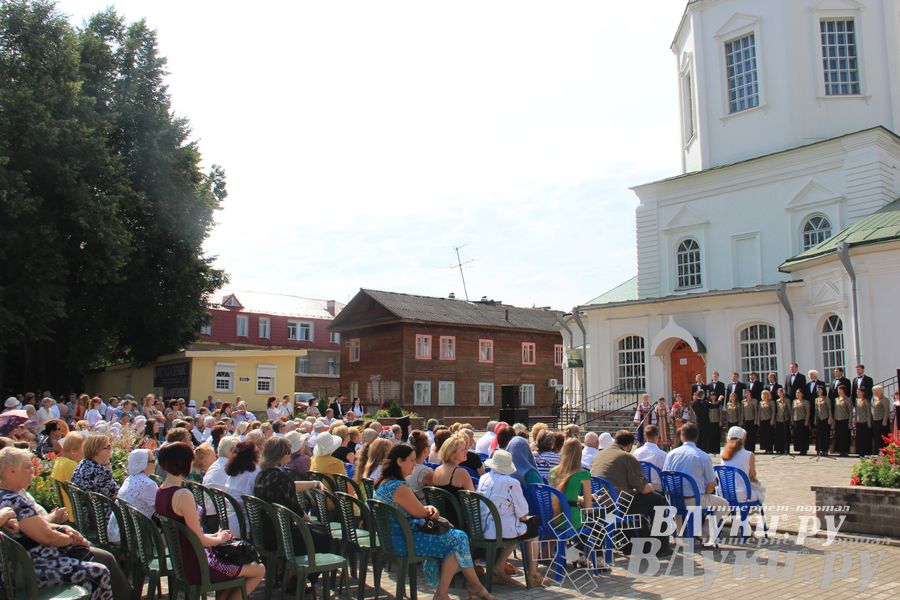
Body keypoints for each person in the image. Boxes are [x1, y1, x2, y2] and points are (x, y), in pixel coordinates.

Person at [373, 444, 497, 600]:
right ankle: (460, 590)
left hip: (392, 540)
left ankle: (457, 590)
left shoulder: (382, 483)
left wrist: (427, 508)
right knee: (459, 539)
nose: (414, 464)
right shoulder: (398, 487)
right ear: (399, 461)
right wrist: (430, 509)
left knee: (457, 539)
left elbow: (416, 509)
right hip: (405, 542)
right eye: (411, 460)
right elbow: (420, 512)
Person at [0, 446, 116, 599]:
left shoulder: (7, 496)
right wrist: (72, 540)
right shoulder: (13, 500)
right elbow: (48, 537)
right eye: (27, 467)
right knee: (98, 571)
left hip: (24, 567)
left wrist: (63, 528)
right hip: (31, 570)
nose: (32, 471)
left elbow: (37, 526)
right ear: (11, 471)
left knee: (97, 559)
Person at [156, 442, 264, 599]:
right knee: (259, 570)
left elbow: (190, 533)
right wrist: (220, 538)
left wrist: (217, 536)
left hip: (183, 561)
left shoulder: (161, 491)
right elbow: (200, 539)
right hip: (199, 564)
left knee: (234, 563)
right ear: (184, 462)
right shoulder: (183, 495)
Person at [591, 430, 669, 553]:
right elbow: (643, 489)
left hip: (601, 503)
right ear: (628, 446)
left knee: (635, 501)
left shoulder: (600, 454)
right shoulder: (626, 456)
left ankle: (630, 544)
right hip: (618, 505)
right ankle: (661, 547)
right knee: (658, 500)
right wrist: (652, 486)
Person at [477, 449, 545, 588]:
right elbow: (523, 514)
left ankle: (499, 566)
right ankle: (533, 574)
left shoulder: (484, 478)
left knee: (518, 528)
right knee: (532, 531)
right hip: (501, 530)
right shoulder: (511, 482)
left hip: (482, 528)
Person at [253, 437, 331, 554]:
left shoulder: (262, 475)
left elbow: (289, 486)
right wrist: (309, 521)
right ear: (282, 454)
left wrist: (314, 483)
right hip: (284, 536)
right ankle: (305, 571)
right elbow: (296, 509)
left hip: (266, 531)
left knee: (318, 529)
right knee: (324, 535)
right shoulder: (280, 477)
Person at [662, 423, 728, 540]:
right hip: (693, 499)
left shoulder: (670, 454)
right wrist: (705, 493)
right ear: (696, 437)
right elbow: (712, 483)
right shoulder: (702, 456)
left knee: (681, 494)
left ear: (682, 436)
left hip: (673, 499)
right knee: (724, 505)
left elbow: (666, 476)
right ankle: (704, 533)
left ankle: (681, 530)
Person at [109, 449, 158, 544]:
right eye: (152, 461)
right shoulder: (148, 484)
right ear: (143, 464)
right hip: (133, 534)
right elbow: (161, 509)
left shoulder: (129, 479)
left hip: (116, 530)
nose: (155, 463)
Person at [432, 433, 475, 527]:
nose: (466, 451)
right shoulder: (461, 473)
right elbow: (473, 501)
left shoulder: (437, 470)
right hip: (460, 522)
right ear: (451, 453)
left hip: (442, 520)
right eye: (462, 450)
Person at [549, 438, 592, 529]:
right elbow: (588, 508)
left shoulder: (553, 471)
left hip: (554, 520)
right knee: (605, 518)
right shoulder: (583, 474)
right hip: (572, 520)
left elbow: (561, 494)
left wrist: (578, 499)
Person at [720, 426, 766, 505]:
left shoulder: (723, 453)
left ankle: (736, 513)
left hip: (724, 493)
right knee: (760, 491)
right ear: (743, 439)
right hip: (742, 494)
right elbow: (752, 476)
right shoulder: (749, 454)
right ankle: (745, 514)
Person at [223, 441, 260, 532]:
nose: (260, 454)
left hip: (231, 522)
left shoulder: (234, 474)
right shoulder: (253, 474)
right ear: (250, 456)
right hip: (248, 526)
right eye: (257, 452)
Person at [71, 434, 118, 498]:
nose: (111, 449)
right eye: (108, 447)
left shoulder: (84, 463)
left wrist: (106, 463)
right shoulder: (98, 470)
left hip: (83, 505)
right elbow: (115, 494)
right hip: (98, 507)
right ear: (97, 451)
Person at [633, 425, 667, 491]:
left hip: (640, 488)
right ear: (658, 436)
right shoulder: (663, 455)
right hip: (657, 489)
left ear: (644, 436)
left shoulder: (636, 452)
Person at [406, 430, 434, 502]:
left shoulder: (403, 467)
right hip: (422, 509)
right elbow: (436, 496)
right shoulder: (425, 471)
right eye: (429, 446)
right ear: (425, 450)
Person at [833, 385, 853, 456]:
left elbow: (850, 411)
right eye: (838, 390)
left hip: (845, 420)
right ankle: (840, 450)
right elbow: (835, 410)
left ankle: (845, 451)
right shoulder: (836, 399)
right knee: (839, 436)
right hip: (838, 420)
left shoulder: (847, 399)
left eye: (840, 390)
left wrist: (850, 422)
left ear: (843, 390)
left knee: (844, 436)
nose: (838, 391)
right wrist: (834, 420)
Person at [871, 385, 891, 454]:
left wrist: (885, 421)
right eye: (873, 391)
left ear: (880, 391)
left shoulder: (884, 399)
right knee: (877, 437)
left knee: (883, 437)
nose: (874, 392)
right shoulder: (875, 399)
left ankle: (885, 452)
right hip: (875, 420)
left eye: (875, 391)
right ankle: (877, 452)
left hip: (882, 421)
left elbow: (887, 410)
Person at [814, 386, 833, 457]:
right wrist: (815, 419)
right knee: (819, 434)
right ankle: (819, 449)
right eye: (818, 390)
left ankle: (825, 450)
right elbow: (816, 410)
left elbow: (829, 409)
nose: (818, 391)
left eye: (820, 390)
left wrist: (830, 418)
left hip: (825, 418)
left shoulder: (827, 399)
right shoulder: (816, 399)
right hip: (819, 418)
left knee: (825, 434)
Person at [853, 388, 873, 457]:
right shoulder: (856, 400)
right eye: (857, 392)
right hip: (858, 421)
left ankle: (867, 452)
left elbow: (868, 412)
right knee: (859, 437)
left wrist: (869, 421)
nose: (857, 393)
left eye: (859, 392)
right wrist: (855, 420)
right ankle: (860, 452)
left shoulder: (866, 401)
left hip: (864, 421)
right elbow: (856, 412)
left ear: (863, 393)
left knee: (865, 437)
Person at [791, 389, 811, 456]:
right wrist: (792, 420)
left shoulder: (805, 402)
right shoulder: (794, 401)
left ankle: (804, 449)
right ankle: (799, 449)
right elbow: (792, 411)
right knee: (797, 436)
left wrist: (806, 420)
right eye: (796, 392)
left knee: (803, 435)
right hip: (796, 420)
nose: (797, 394)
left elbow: (808, 412)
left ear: (802, 394)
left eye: (798, 392)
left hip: (803, 420)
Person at [757, 390, 775, 454]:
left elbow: (773, 411)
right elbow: (759, 412)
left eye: (766, 394)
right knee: (764, 435)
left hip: (769, 420)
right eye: (763, 394)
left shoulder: (771, 402)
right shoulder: (760, 402)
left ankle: (770, 449)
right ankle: (765, 448)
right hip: (762, 420)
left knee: (769, 435)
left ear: (768, 395)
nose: (764, 395)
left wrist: (772, 420)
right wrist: (758, 420)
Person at [774, 387, 792, 455]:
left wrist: (790, 419)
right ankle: (780, 449)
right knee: (780, 435)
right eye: (779, 392)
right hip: (779, 419)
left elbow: (790, 410)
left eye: (781, 392)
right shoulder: (777, 401)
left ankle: (786, 449)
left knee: (786, 435)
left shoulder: (787, 400)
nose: (780, 394)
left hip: (785, 419)